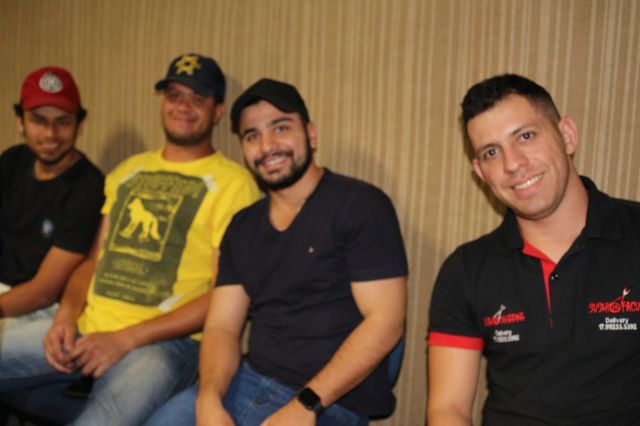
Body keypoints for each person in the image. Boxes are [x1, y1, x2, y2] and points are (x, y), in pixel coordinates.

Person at [0, 53, 260, 426]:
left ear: (217, 111)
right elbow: (91, 263)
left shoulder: (236, 184)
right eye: (174, 95)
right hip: (85, 327)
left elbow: (225, 296)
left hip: (163, 344)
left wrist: (125, 338)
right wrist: (66, 317)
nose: (182, 107)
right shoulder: (128, 171)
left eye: (197, 99)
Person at [144, 78, 408, 426]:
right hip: (247, 382)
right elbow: (222, 327)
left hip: (331, 402)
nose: (267, 145)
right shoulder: (242, 227)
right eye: (252, 135)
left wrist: (304, 406)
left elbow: (386, 323)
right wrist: (208, 398)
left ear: (311, 134)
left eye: (280, 128)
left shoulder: (359, 205)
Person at [426, 74, 640, 425]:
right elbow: (448, 409)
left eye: (525, 136)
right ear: (481, 172)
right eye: (491, 152)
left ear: (567, 135)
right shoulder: (465, 269)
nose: (512, 163)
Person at [0, 66, 104, 324]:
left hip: (38, 312)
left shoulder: (88, 187)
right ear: (20, 122)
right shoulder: (12, 160)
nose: (50, 134)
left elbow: (44, 292)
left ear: (79, 125)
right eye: (38, 120)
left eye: (62, 121)